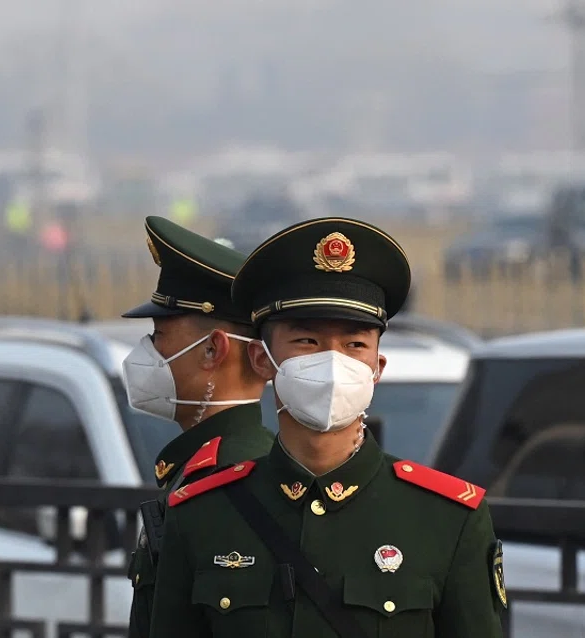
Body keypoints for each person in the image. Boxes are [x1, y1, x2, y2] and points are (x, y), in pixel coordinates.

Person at [149, 217, 506, 638]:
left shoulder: (447, 519)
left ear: (377, 367)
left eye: (355, 344)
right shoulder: (201, 515)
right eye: (307, 342)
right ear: (263, 361)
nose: (333, 363)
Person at [122, 216, 275, 638]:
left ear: (213, 349)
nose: (146, 351)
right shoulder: (203, 465)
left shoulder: (233, 476)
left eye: (158, 333)